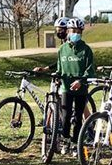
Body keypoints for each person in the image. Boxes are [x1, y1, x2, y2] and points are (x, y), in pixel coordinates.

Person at [34, 17, 95, 153]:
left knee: (78, 117)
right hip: (66, 87)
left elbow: (90, 70)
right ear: (68, 31)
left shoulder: (86, 50)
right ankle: (66, 141)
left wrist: (81, 81)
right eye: (73, 30)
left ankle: (75, 143)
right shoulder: (62, 49)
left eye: (78, 31)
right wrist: (55, 75)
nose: (75, 33)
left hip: (81, 88)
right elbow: (60, 68)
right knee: (66, 116)